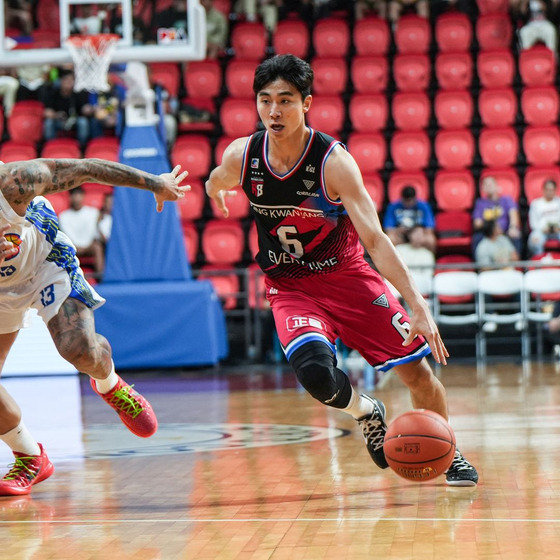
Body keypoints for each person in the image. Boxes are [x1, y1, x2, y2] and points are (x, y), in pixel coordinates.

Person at [205, 54, 478, 486]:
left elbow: (375, 239)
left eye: (286, 101)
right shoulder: (244, 156)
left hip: (350, 280)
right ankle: (368, 412)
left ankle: (450, 451)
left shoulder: (333, 162)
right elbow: (218, 177)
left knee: (417, 374)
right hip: (291, 287)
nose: (274, 111)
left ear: (307, 102)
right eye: (265, 100)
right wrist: (212, 189)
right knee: (315, 375)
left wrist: (417, 304)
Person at [0, 157, 189, 496]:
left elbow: (86, 168)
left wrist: (156, 183)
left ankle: (110, 384)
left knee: (78, 349)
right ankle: (30, 456)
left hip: (44, 263)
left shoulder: (15, 182)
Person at [58, 186, 105, 276]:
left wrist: (86, 245)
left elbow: (96, 230)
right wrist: (75, 246)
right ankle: (66, 279)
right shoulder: (63, 216)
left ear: (83, 196)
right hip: (72, 247)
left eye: (79, 195)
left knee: (97, 247)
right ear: (70, 198)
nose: (77, 198)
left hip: (89, 246)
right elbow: (66, 235)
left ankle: (100, 276)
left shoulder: (94, 212)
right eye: (74, 195)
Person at [472, 175, 522, 254]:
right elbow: (477, 223)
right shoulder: (480, 203)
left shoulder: (506, 199)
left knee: (515, 234)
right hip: (487, 232)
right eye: (486, 185)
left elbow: (513, 214)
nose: (489, 187)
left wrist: (513, 227)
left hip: (505, 231)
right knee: (477, 238)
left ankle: (516, 265)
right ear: (483, 188)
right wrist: (493, 228)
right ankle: (480, 265)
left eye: (491, 184)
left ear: (496, 186)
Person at [383, 185, 437, 253]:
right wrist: (398, 231)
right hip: (400, 234)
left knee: (431, 239)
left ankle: (432, 261)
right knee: (389, 239)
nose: (408, 204)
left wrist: (421, 231)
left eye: (410, 201)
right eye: (406, 201)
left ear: (415, 198)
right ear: (402, 198)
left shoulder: (424, 206)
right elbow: (388, 229)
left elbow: (430, 229)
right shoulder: (393, 207)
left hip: (418, 234)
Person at [528, 178, 560, 255]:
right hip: (541, 231)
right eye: (548, 189)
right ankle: (539, 263)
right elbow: (533, 223)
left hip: (558, 230)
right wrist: (543, 229)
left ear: (555, 190)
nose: (550, 192)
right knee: (534, 241)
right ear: (543, 190)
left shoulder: (559, 202)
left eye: (552, 190)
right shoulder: (536, 203)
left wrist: (558, 228)